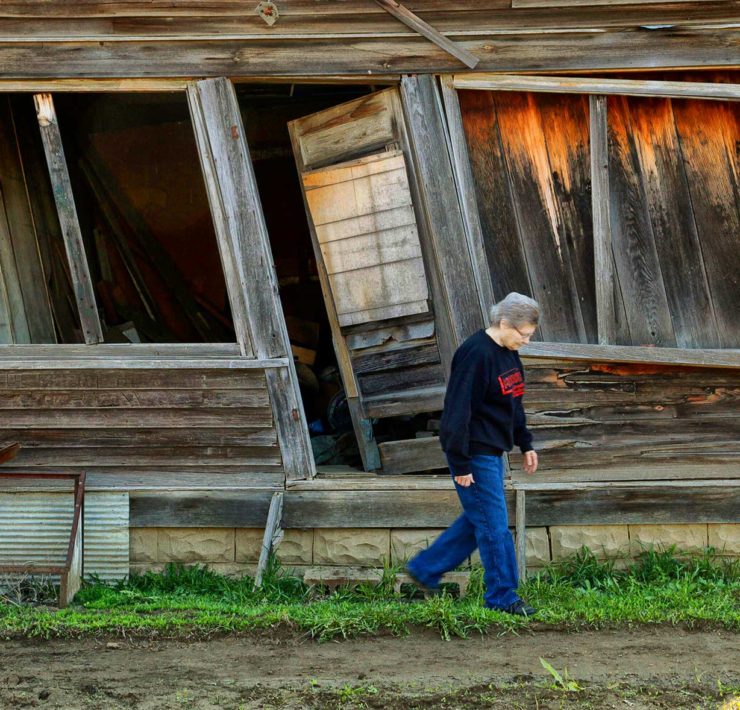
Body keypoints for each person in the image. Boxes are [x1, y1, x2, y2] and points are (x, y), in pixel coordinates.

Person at [406, 292, 540, 616]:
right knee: (495, 528)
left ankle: (425, 569)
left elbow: (513, 403)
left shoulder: (510, 355)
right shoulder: (475, 354)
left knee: (477, 520)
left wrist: (526, 443)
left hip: (493, 450)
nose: (525, 341)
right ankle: (503, 598)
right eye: (523, 334)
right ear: (504, 323)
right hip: (473, 453)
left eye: (529, 336)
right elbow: (456, 411)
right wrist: (461, 462)